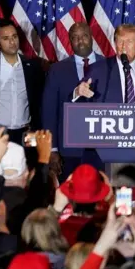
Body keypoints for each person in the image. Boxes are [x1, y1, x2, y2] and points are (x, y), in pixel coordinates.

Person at [73, 24, 135, 175]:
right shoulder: (98, 69)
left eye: (129, 41)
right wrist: (78, 92)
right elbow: (79, 104)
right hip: (105, 152)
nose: (123, 46)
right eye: (120, 41)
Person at [0, 19, 44, 173]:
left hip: (27, 132)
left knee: (27, 172)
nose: (12, 42)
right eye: (5, 38)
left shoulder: (32, 66)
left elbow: (38, 103)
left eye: (14, 37)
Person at [42, 22, 104, 178]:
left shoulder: (109, 66)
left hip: (103, 148)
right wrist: (52, 149)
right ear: (69, 40)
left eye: (84, 36)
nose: (80, 41)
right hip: (70, 151)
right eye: (75, 37)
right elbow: (49, 111)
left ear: (91, 38)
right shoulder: (57, 70)